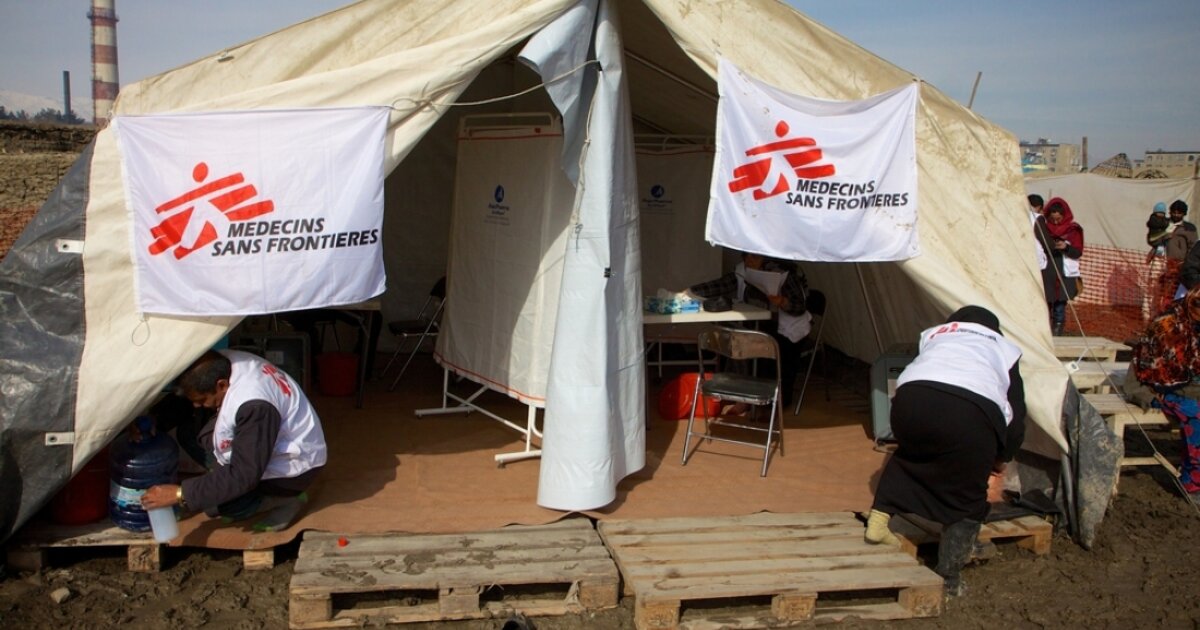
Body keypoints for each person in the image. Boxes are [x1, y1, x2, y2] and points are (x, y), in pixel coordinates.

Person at [864, 306, 1026, 597]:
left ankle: (878, 520)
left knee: (911, 456)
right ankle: (949, 577)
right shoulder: (1003, 349)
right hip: (968, 411)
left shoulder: (936, 335)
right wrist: (1003, 455)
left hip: (909, 402)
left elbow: (928, 373)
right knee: (968, 495)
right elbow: (1016, 414)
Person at [141, 349, 327, 532]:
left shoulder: (255, 405)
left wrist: (180, 494)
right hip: (260, 444)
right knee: (188, 433)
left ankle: (286, 501)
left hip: (293, 469)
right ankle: (222, 482)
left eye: (202, 400)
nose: (197, 405)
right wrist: (154, 419)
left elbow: (244, 474)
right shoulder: (222, 363)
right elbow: (191, 393)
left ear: (222, 385)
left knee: (218, 506)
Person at [687, 251, 811, 408]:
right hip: (763, 325)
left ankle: (775, 406)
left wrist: (782, 301)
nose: (749, 260)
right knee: (739, 339)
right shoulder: (741, 270)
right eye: (745, 256)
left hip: (790, 328)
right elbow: (721, 285)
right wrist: (690, 293)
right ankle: (744, 397)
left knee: (775, 358)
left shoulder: (784, 273)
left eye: (755, 257)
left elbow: (800, 306)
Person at [1127, 286, 1200, 506]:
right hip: (1155, 387)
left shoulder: (1194, 324)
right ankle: (1192, 483)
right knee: (1195, 413)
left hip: (1188, 386)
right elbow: (1158, 374)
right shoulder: (1168, 326)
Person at [1041, 197, 1084, 335]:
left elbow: (1077, 252)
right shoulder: (1042, 228)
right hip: (1047, 271)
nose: (1055, 222)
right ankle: (1044, 332)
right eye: (1052, 219)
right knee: (1044, 303)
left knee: (1059, 305)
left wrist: (1066, 247)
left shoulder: (1073, 230)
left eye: (1058, 219)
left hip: (1064, 273)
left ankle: (1057, 332)